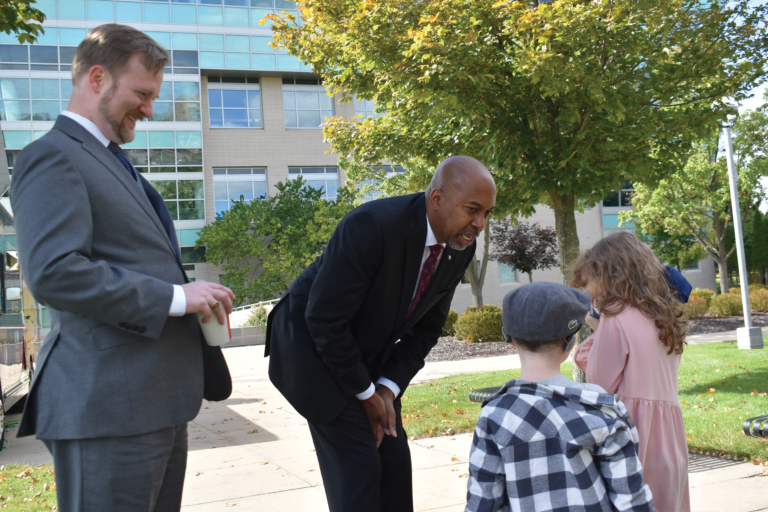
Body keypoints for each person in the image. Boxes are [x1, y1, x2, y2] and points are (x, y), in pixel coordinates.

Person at [11, 24, 236, 512]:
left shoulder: (112, 160)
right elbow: (54, 271)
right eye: (141, 93)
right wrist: (177, 298)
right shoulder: (51, 156)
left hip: (154, 403)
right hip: (108, 408)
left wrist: (191, 294)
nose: (150, 109)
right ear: (96, 78)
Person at [266, 156, 496, 512]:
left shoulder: (460, 246)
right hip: (312, 350)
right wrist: (365, 392)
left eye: (487, 213)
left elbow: (428, 329)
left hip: (368, 357)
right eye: (472, 209)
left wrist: (386, 389)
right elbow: (325, 320)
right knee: (359, 467)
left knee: (393, 464)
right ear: (436, 198)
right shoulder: (371, 226)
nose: (479, 223)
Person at [466, 282, 656, 512]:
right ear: (571, 341)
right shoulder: (601, 410)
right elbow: (633, 503)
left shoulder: (495, 415)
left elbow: (482, 503)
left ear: (510, 338)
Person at [571, 231, 690, 512]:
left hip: (633, 430)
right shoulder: (661, 314)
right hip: (669, 434)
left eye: (587, 281)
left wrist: (596, 330)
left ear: (611, 274)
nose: (585, 291)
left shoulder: (616, 316)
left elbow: (600, 382)